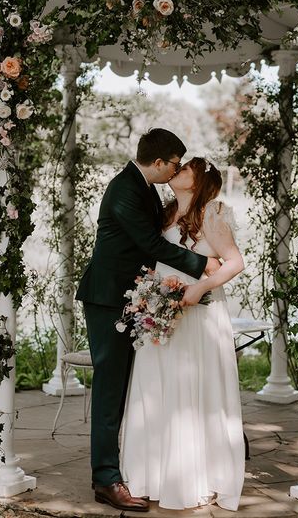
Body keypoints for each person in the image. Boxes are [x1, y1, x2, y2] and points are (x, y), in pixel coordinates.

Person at [75, 130, 221, 513]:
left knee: (129, 387)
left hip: (134, 299)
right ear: (159, 162)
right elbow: (150, 244)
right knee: (110, 390)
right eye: (174, 163)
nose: (176, 170)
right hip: (108, 300)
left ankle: (134, 467)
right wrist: (203, 264)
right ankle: (106, 480)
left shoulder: (146, 189)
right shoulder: (124, 189)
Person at [121, 157, 246, 511]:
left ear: (199, 180)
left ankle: (196, 477)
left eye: (186, 168)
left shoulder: (212, 213)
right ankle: (154, 475)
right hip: (161, 312)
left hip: (197, 315)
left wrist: (199, 288)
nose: (177, 172)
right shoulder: (166, 213)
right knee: (158, 389)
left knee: (192, 395)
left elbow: (234, 263)